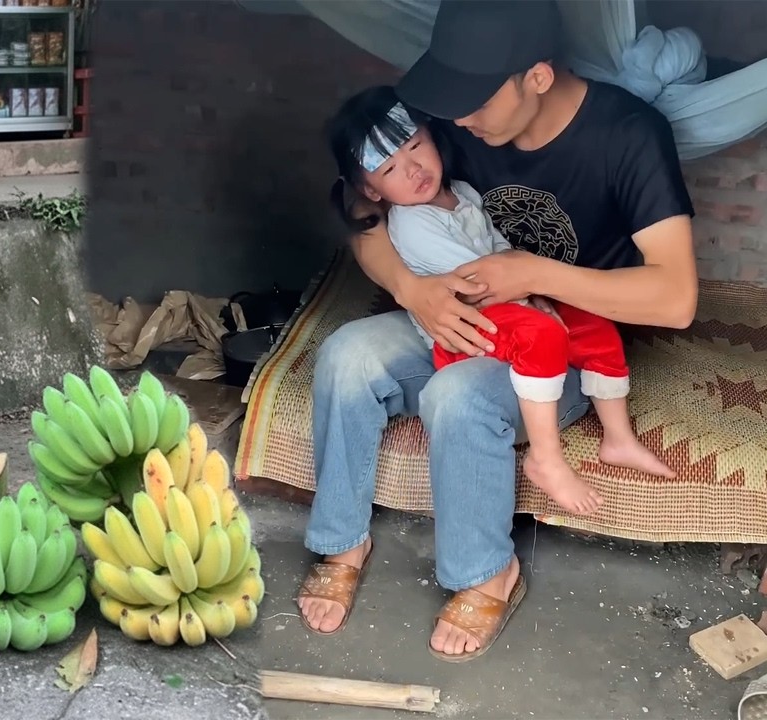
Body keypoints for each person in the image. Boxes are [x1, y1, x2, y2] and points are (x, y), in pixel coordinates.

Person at [297, 0, 697, 663]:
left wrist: (535, 273)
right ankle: (343, 538)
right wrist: (411, 289)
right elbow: (362, 208)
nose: (454, 120)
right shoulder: (457, 124)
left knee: (457, 396)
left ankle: (487, 571)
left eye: (471, 104)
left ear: (536, 77)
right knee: (345, 355)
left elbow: (676, 296)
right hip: (469, 322)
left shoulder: (628, 134)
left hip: (558, 345)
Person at [329, 85, 675, 518]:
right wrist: (531, 294)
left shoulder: (463, 194)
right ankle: (546, 459)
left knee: (594, 322)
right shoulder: (414, 224)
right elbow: (477, 281)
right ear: (373, 191)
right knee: (542, 333)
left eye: (416, 146)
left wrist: (536, 288)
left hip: (511, 301)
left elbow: (500, 248)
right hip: (471, 326)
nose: (414, 168)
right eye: (392, 169)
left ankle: (618, 438)